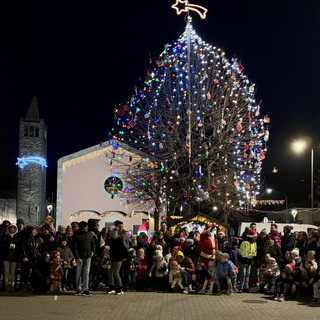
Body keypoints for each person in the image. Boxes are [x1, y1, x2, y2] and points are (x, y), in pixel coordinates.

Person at [72, 221, 95, 296]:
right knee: (78, 274)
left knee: (86, 273)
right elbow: (74, 248)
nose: (87, 228)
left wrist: (92, 251)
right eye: (86, 226)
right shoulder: (76, 235)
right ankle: (78, 289)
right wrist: (77, 258)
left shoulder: (89, 234)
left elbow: (93, 243)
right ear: (82, 227)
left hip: (88, 256)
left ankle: (85, 289)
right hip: (80, 257)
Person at [107, 227, 128, 295]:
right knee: (110, 272)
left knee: (116, 272)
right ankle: (111, 287)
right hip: (113, 258)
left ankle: (120, 287)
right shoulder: (112, 241)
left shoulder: (119, 240)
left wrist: (124, 257)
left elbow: (124, 249)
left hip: (118, 259)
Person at [1, 224, 20, 292]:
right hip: (6, 256)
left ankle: (12, 285)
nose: (12, 230)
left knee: (13, 271)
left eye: (13, 228)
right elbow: (1, 245)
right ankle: (6, 284)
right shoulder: (5, 236)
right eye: (10, 228)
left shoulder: (18, 237)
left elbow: (20, 246)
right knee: (6, 271)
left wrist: (15, 246)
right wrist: (8, 246)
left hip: (14, 257)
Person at [238, 229, 257, 293]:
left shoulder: (254, 243)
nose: (255, 238)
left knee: (248, 274)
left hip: (249, 261)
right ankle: (241, 287)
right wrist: (245, 262)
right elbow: (243, 254)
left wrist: (252, 260)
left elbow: (254, 252)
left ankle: (246, 287)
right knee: (243, 274)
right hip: (243, 261)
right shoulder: (245, 243)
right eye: (254, 237)